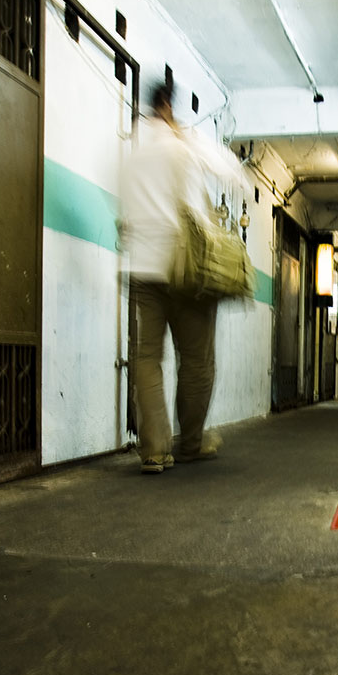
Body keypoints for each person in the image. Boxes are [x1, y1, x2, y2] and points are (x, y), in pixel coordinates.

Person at [119, 81, 231, 474]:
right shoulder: (182, 144)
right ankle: (190, 444)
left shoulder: (131, 151)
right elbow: (230, 171)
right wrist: (188, 136)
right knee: (197, 361)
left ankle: (153, 450)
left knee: (147, 360)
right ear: (168, 105)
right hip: (186, 270)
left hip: (143, 271)